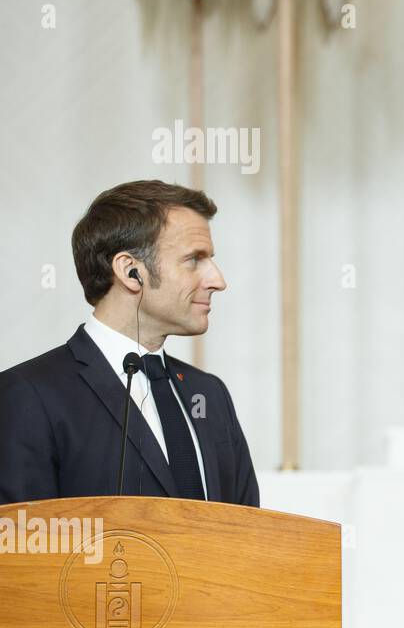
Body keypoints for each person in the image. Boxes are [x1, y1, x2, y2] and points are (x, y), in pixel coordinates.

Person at [0, 180, 259, 506]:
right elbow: (18, 546)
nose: (218, 280)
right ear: (130, 270)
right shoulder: (27, 395)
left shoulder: (209, 394)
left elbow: (248, 538)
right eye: (194, 259)